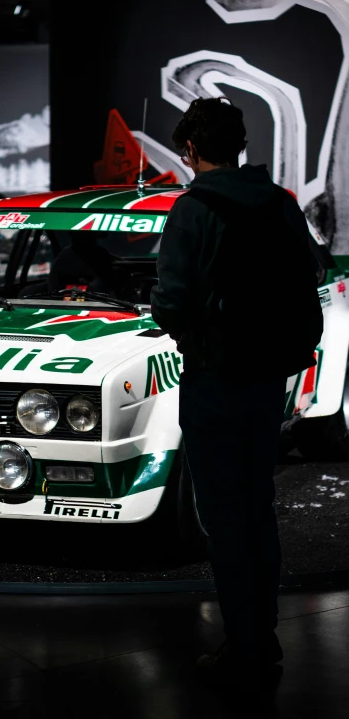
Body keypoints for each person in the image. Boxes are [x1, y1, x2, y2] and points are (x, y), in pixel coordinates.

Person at [150, 96, 323, 691]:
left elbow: (170, 301)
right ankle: (263, 635)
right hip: (266, 380)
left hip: (214, 380)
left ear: (191, 150)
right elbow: (312, 274)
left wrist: (198, 332)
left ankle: (246, 644)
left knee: (223, 517)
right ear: (240, 145)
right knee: (257, 510)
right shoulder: (280, 204)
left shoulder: (192, 209)